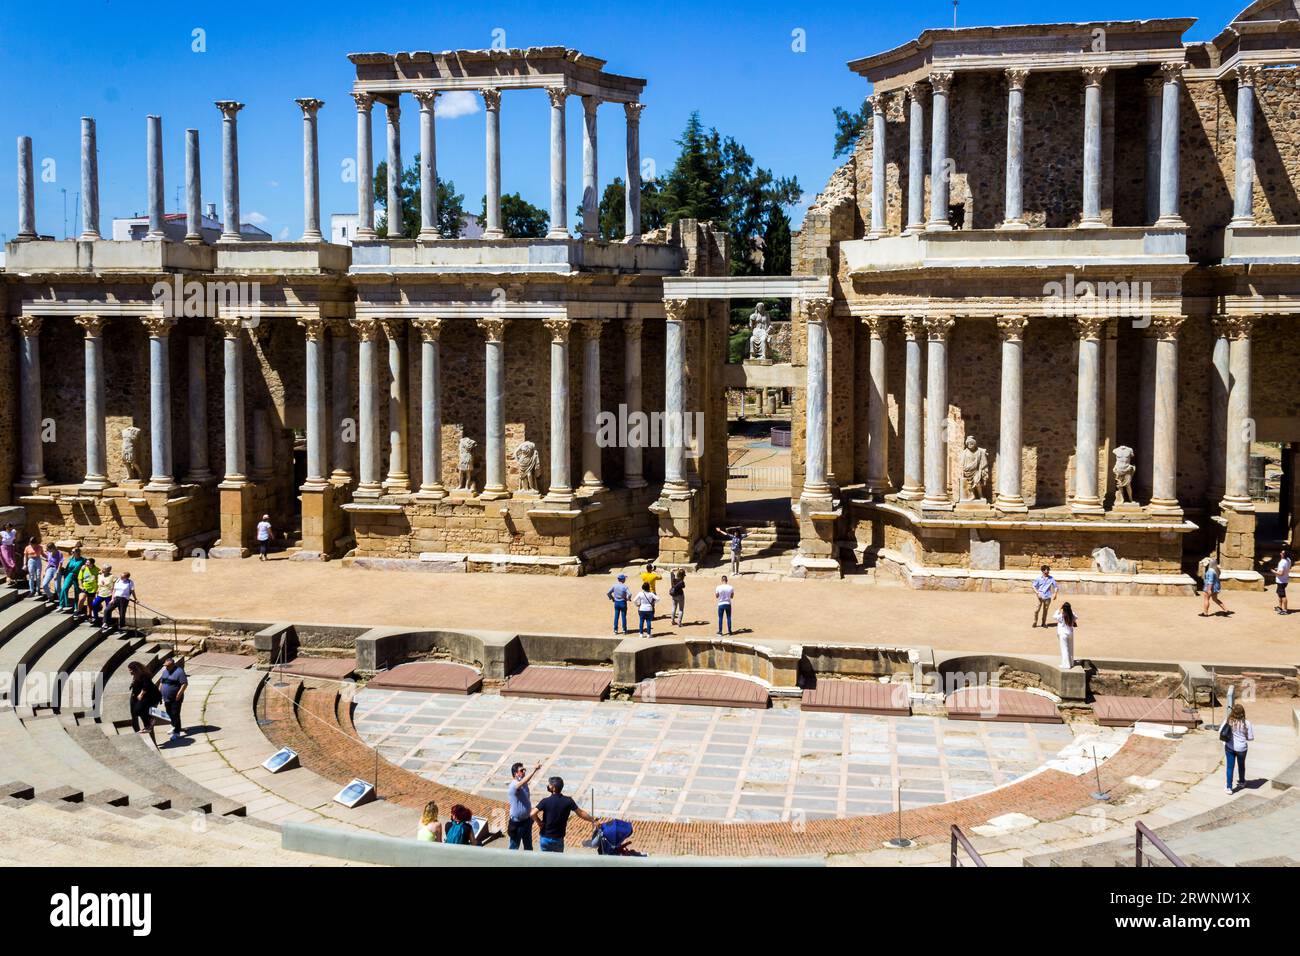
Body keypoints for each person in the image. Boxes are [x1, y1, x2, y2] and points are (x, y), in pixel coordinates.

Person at [530, 776, 598, 853]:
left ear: (554, 788)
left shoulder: (545, 801)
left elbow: (532, 813)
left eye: (549, 785)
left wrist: (538, 822)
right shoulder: (568, 801)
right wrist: (593, 820)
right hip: (558, 838)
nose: (548, 786)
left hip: (545, 838)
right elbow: (581, 813)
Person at [507, 761, 542, 851]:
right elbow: (522, 782)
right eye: (521, 771)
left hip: (527, 821)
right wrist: (534, 770)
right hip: (517, 823)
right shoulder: (514, 785)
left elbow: (525, 781)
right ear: (515, 774)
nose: (524, 772)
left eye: (524, 770)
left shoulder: (524, 784)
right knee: (514, 847)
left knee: (529, 847)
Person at [126, 660, 161, 749]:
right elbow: (135, 687)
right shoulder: (135, 676)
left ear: (135, 669)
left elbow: (146, 685)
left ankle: (151, 721)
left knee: (139, 709)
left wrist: (141, 694)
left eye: (130, 670)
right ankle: (147, 726)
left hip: (151, 696)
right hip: (144, 696)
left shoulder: (144, 676)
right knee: (136, 710)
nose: (129, 671)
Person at [1221, 703, 1254, 794]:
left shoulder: (1228, 721)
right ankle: (1242, 782)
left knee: (1230, 767)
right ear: (1243, 712)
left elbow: (1221, 731)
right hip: (1242, 749)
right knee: (1241, 765)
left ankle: (1229, 787)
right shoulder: (1247, 723)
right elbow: (1250, 738)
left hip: (1230, 747)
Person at [157, 654, 188, 740]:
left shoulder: (179, 671)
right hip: (166, 698)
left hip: (176, 698)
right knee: (169, 713)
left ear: (172, 664)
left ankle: (177, 732)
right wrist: (160, 692)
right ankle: (174, 726)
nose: (166, 667)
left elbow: (184, 684)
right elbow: (161, 682)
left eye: (168, 666)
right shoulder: (165, 671)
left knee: (175, 714)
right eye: (165, 666)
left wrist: (179, 694)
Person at [58, 546, 86, 614]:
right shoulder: (71, 559)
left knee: (76, 591)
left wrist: (84, 567)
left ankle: (76, 607)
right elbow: (68, 567)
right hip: (69, 575)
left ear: (77, 552)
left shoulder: (83, 560)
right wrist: (64, 572)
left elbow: (89, 566)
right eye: (72, 552)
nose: (71, 553)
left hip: (78, 576)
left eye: (73, 552)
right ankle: (62, 605)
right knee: (64, 588)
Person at [1054, 601, 1078, 669]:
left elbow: (1054, 616)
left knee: (1064, 649)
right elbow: (1076, 617)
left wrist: (1059, 608)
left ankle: (1066, 665)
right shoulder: (1072, 614)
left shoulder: (1061, 615)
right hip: (1070, 633)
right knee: (1070, 648)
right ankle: (1071, 663)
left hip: (1063, 634)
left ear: (1063, 608)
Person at [1275, 547, 1292, 616]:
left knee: (1283, 595)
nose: (1280, 553)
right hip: (1285, 580)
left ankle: (1285, 610)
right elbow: (1286, 568)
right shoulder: (1288, 560)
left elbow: (1281, 573)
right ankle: (1280, 607)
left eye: (1282, 553)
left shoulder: (1282, 562)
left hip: (1281, 581)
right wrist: (1278, 569)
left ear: (1284, 555)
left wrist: (1274, 571)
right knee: (1279, 594)